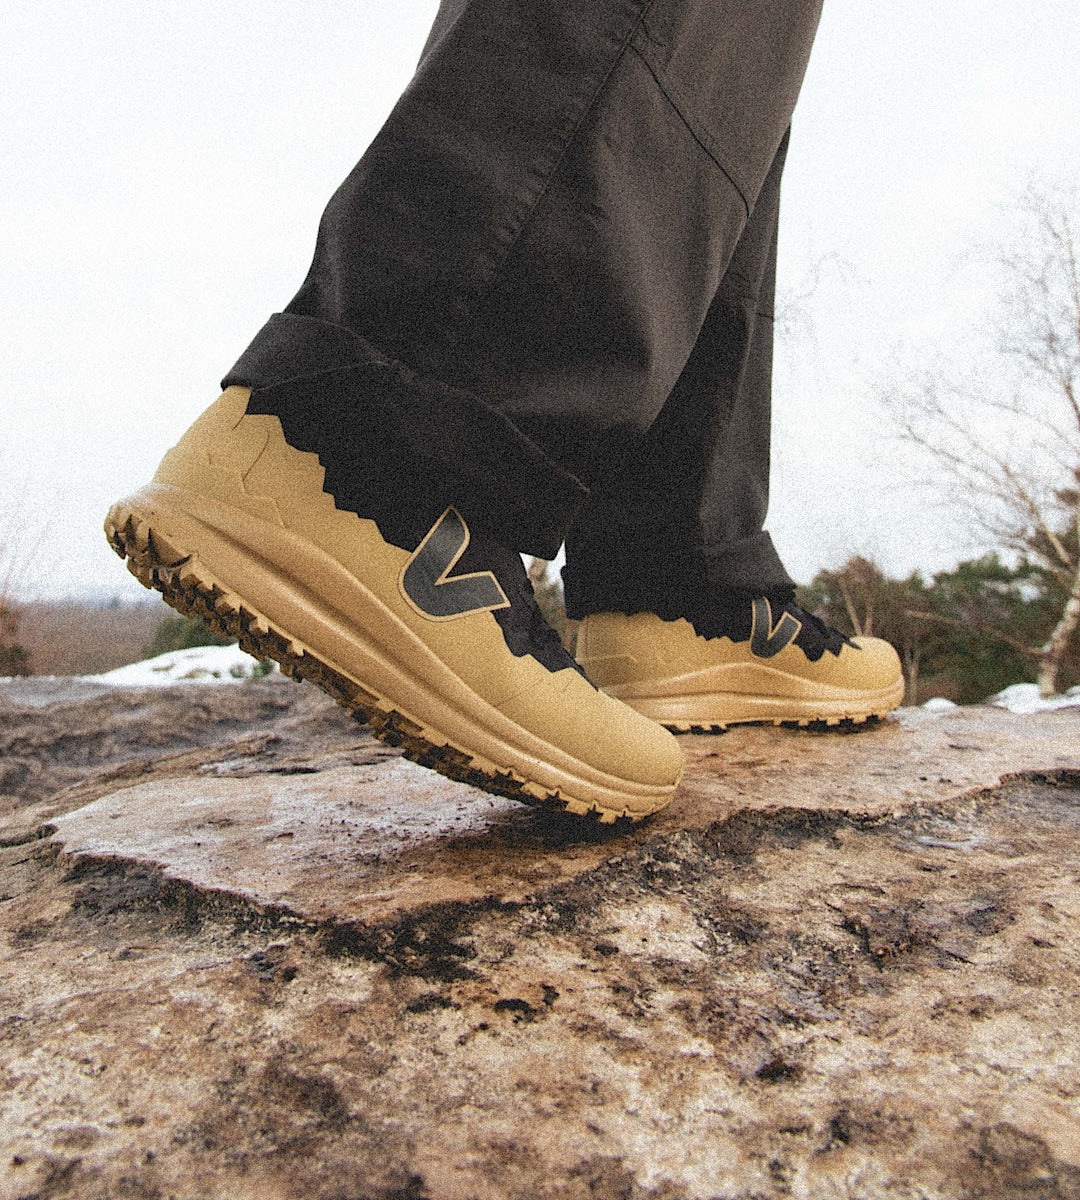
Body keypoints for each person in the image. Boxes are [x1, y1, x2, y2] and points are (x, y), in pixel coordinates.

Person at [106, 0, 903, 823]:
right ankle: (381, 448)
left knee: (741, 56)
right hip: (375, 441)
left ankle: (673, 579)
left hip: (678, 552)